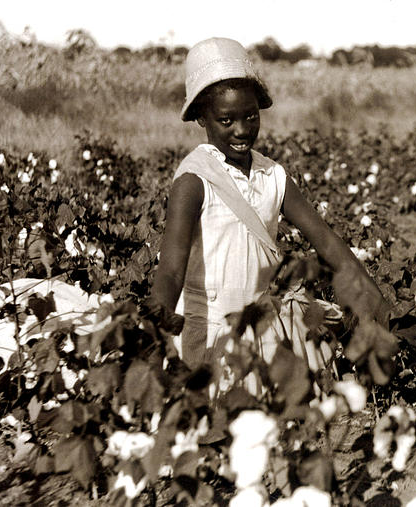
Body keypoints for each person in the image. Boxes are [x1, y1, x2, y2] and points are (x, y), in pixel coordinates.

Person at [148, 37, 387, 373]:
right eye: (226, 120)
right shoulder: (194, 180)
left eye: (250, 116)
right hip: (210, 334)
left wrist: (378, 306)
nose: (242, 130)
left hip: (263, 330)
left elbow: (326, 240)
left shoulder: (272, 175)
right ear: (203, 118)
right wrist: (155, 339)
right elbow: (171, 271)